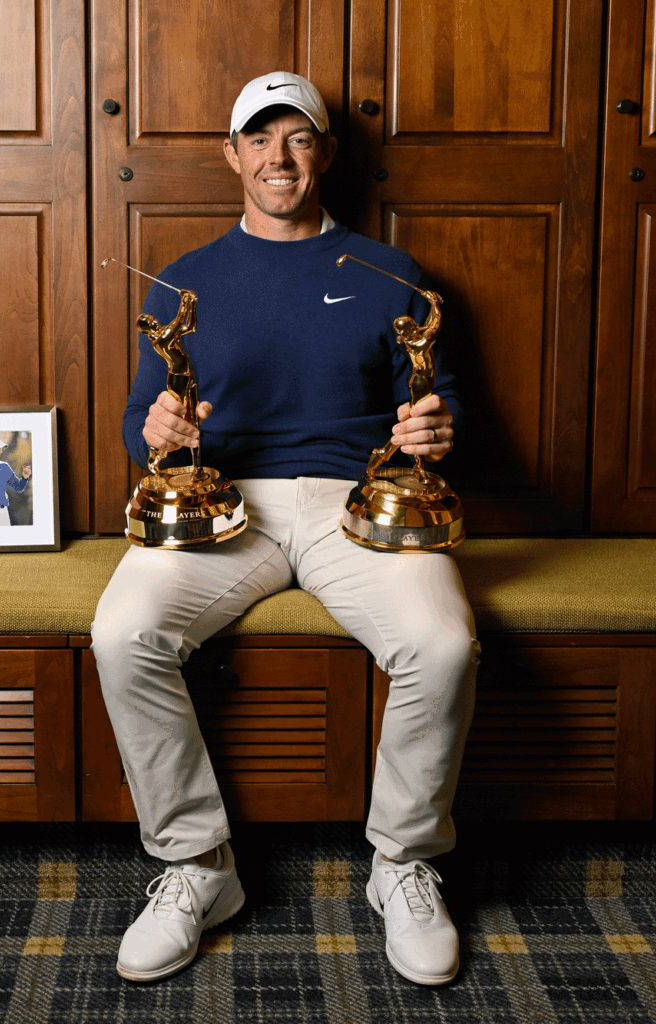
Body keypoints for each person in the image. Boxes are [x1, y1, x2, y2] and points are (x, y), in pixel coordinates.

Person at [91, 71, 479, 987]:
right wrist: (154, 432)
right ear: (232, 156)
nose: (278, 157)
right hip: (229, 507)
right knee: (122, 633)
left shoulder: (390, 272)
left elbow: (437, 396)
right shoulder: (186, 279)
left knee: (444, 644)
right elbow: (140, 416)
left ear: (325, 154)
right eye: (258, 139)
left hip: (359, 508)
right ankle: (197, 867)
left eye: (297, 138)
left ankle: (402, 865)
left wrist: (434, 426)